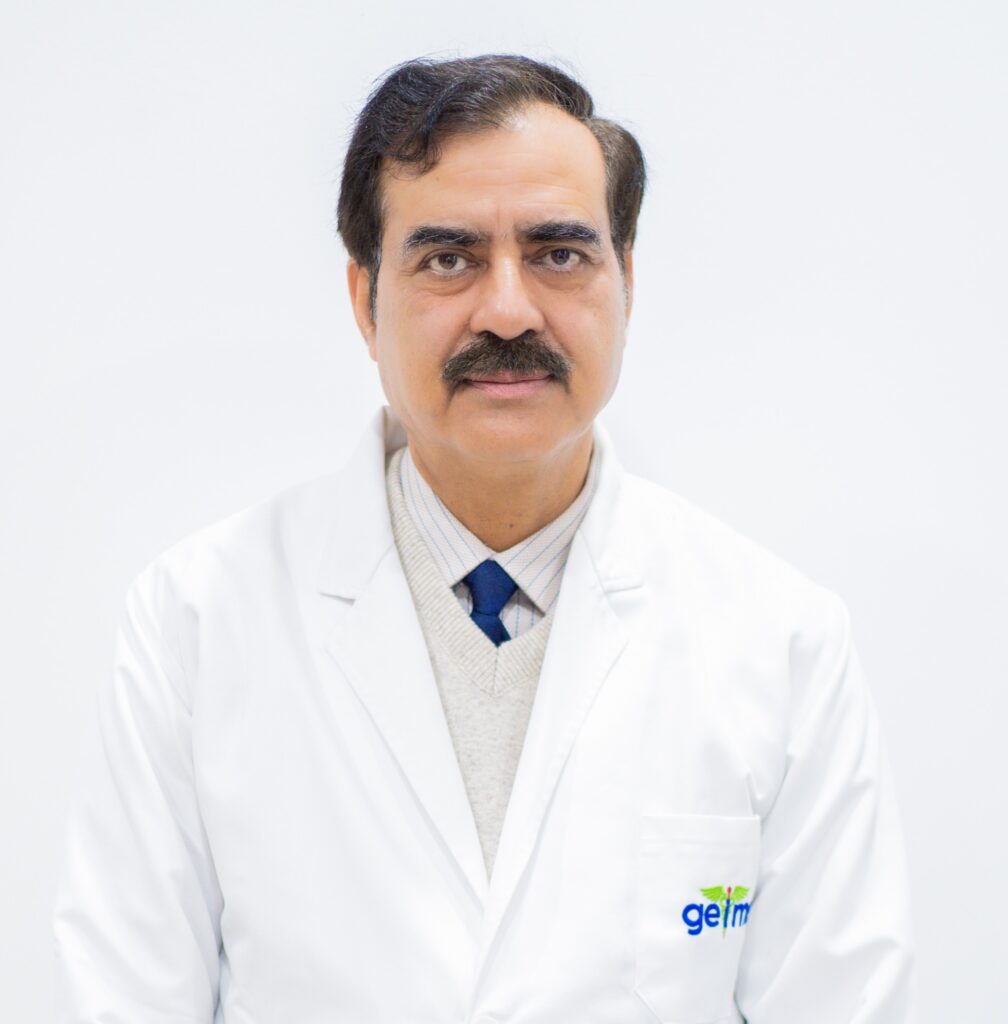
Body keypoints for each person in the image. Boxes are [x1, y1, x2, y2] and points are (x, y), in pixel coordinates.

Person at [52, 54, 915, 1023]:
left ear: (626, 283)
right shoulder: (198, 624)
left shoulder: (779, 643)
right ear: (364, 300)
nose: (508, 310)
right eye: (449, 259)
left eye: (559, 254)